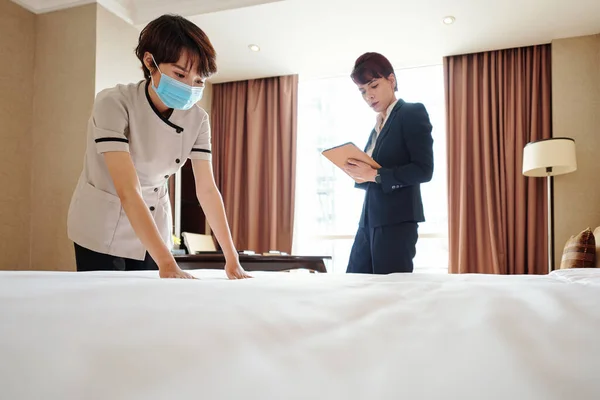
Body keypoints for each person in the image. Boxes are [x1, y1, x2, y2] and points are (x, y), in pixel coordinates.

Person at [67, 14, 251, 279]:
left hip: (153, 218)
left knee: (149, 307)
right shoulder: (113, 103)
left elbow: (208, 190)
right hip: (102, 221)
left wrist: (232, 259)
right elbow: (127, 189)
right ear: (149, 61)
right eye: (180, 74)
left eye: (198, 81)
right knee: (105, 306)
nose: (189, 87)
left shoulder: (198, 120)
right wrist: (166, 262)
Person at [343, 52, 434, 274]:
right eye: (363, 91)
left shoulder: (412, 112)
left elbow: (423, 170)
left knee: (391, 293)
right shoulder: (378, 125)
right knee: (354, 283)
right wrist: (358, 173)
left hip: (397, 220)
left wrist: (374, 175)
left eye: (373, 86)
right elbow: (374, 173)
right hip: (367, 221)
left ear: (391, 80)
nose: (368, 96)